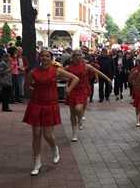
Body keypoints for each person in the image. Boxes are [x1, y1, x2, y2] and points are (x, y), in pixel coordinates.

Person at [23, 47, 79, 175]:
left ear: (51, 58)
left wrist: (68, 89)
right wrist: (36, 91)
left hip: (50, 105)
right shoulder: (34, 72)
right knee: (36, 134)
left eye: (47, 56)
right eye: (42, 56)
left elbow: (75, 78)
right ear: (39, 58)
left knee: (47, 135)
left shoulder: (56, 71)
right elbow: (26, 86)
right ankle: (37, 162)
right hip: (36, 104)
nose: (44, 58)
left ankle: (54, 147)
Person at [65, 49, 112, 142]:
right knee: (72, 113)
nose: (78, 57)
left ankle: (80, 119)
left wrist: (108, 79)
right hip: (72, 90)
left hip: (82, 89)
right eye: (76, 56)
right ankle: (74, 133)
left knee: (78, 109)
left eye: (80, 55)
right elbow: (58, 73)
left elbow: (98, 72)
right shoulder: (68, 67)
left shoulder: (86, 66)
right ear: (72, 57)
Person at [128, 54, 140, 144]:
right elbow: (130, 79)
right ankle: (138, 119)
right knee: (139, 107)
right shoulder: (136, 70)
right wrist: (136, 86)